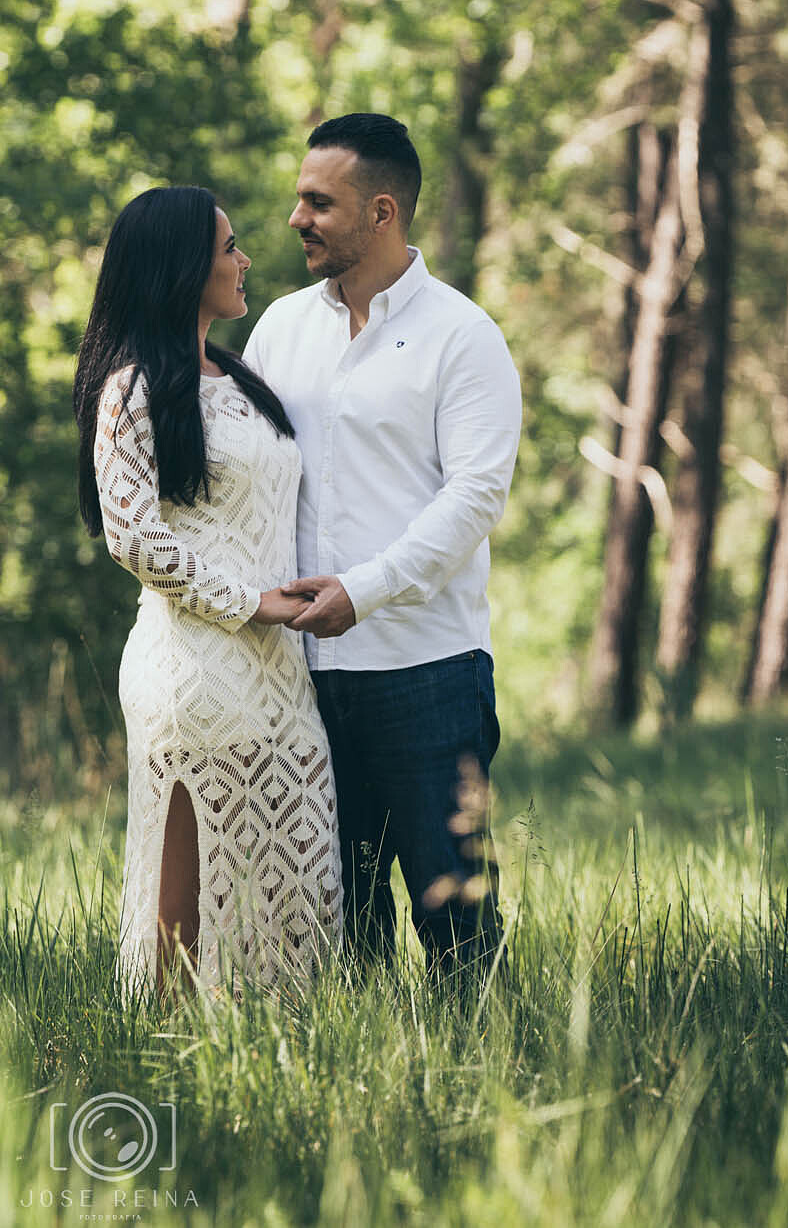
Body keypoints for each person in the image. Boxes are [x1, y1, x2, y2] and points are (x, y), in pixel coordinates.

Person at [242, 113, 523, 977]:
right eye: (298, 199)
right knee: (335, 923)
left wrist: (365, 588)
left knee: (456, 926)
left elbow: (475, 495)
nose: (296, 219)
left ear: (382, 211)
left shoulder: (462, 336)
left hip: (426, 671)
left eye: (318, 202)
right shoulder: (280, 329)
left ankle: (489, 1089)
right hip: (297, 685)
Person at [74, 185, 343, 997]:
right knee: (188, 884)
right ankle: (168, 1056)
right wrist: (251, 601)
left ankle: (279, 1044)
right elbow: (132, 535)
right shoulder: (132, 388)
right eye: (228, 247)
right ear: (181, 266)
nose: (245, 259)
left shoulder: (241, 377)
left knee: (299, 866)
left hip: (279, 671)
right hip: (192, 668)